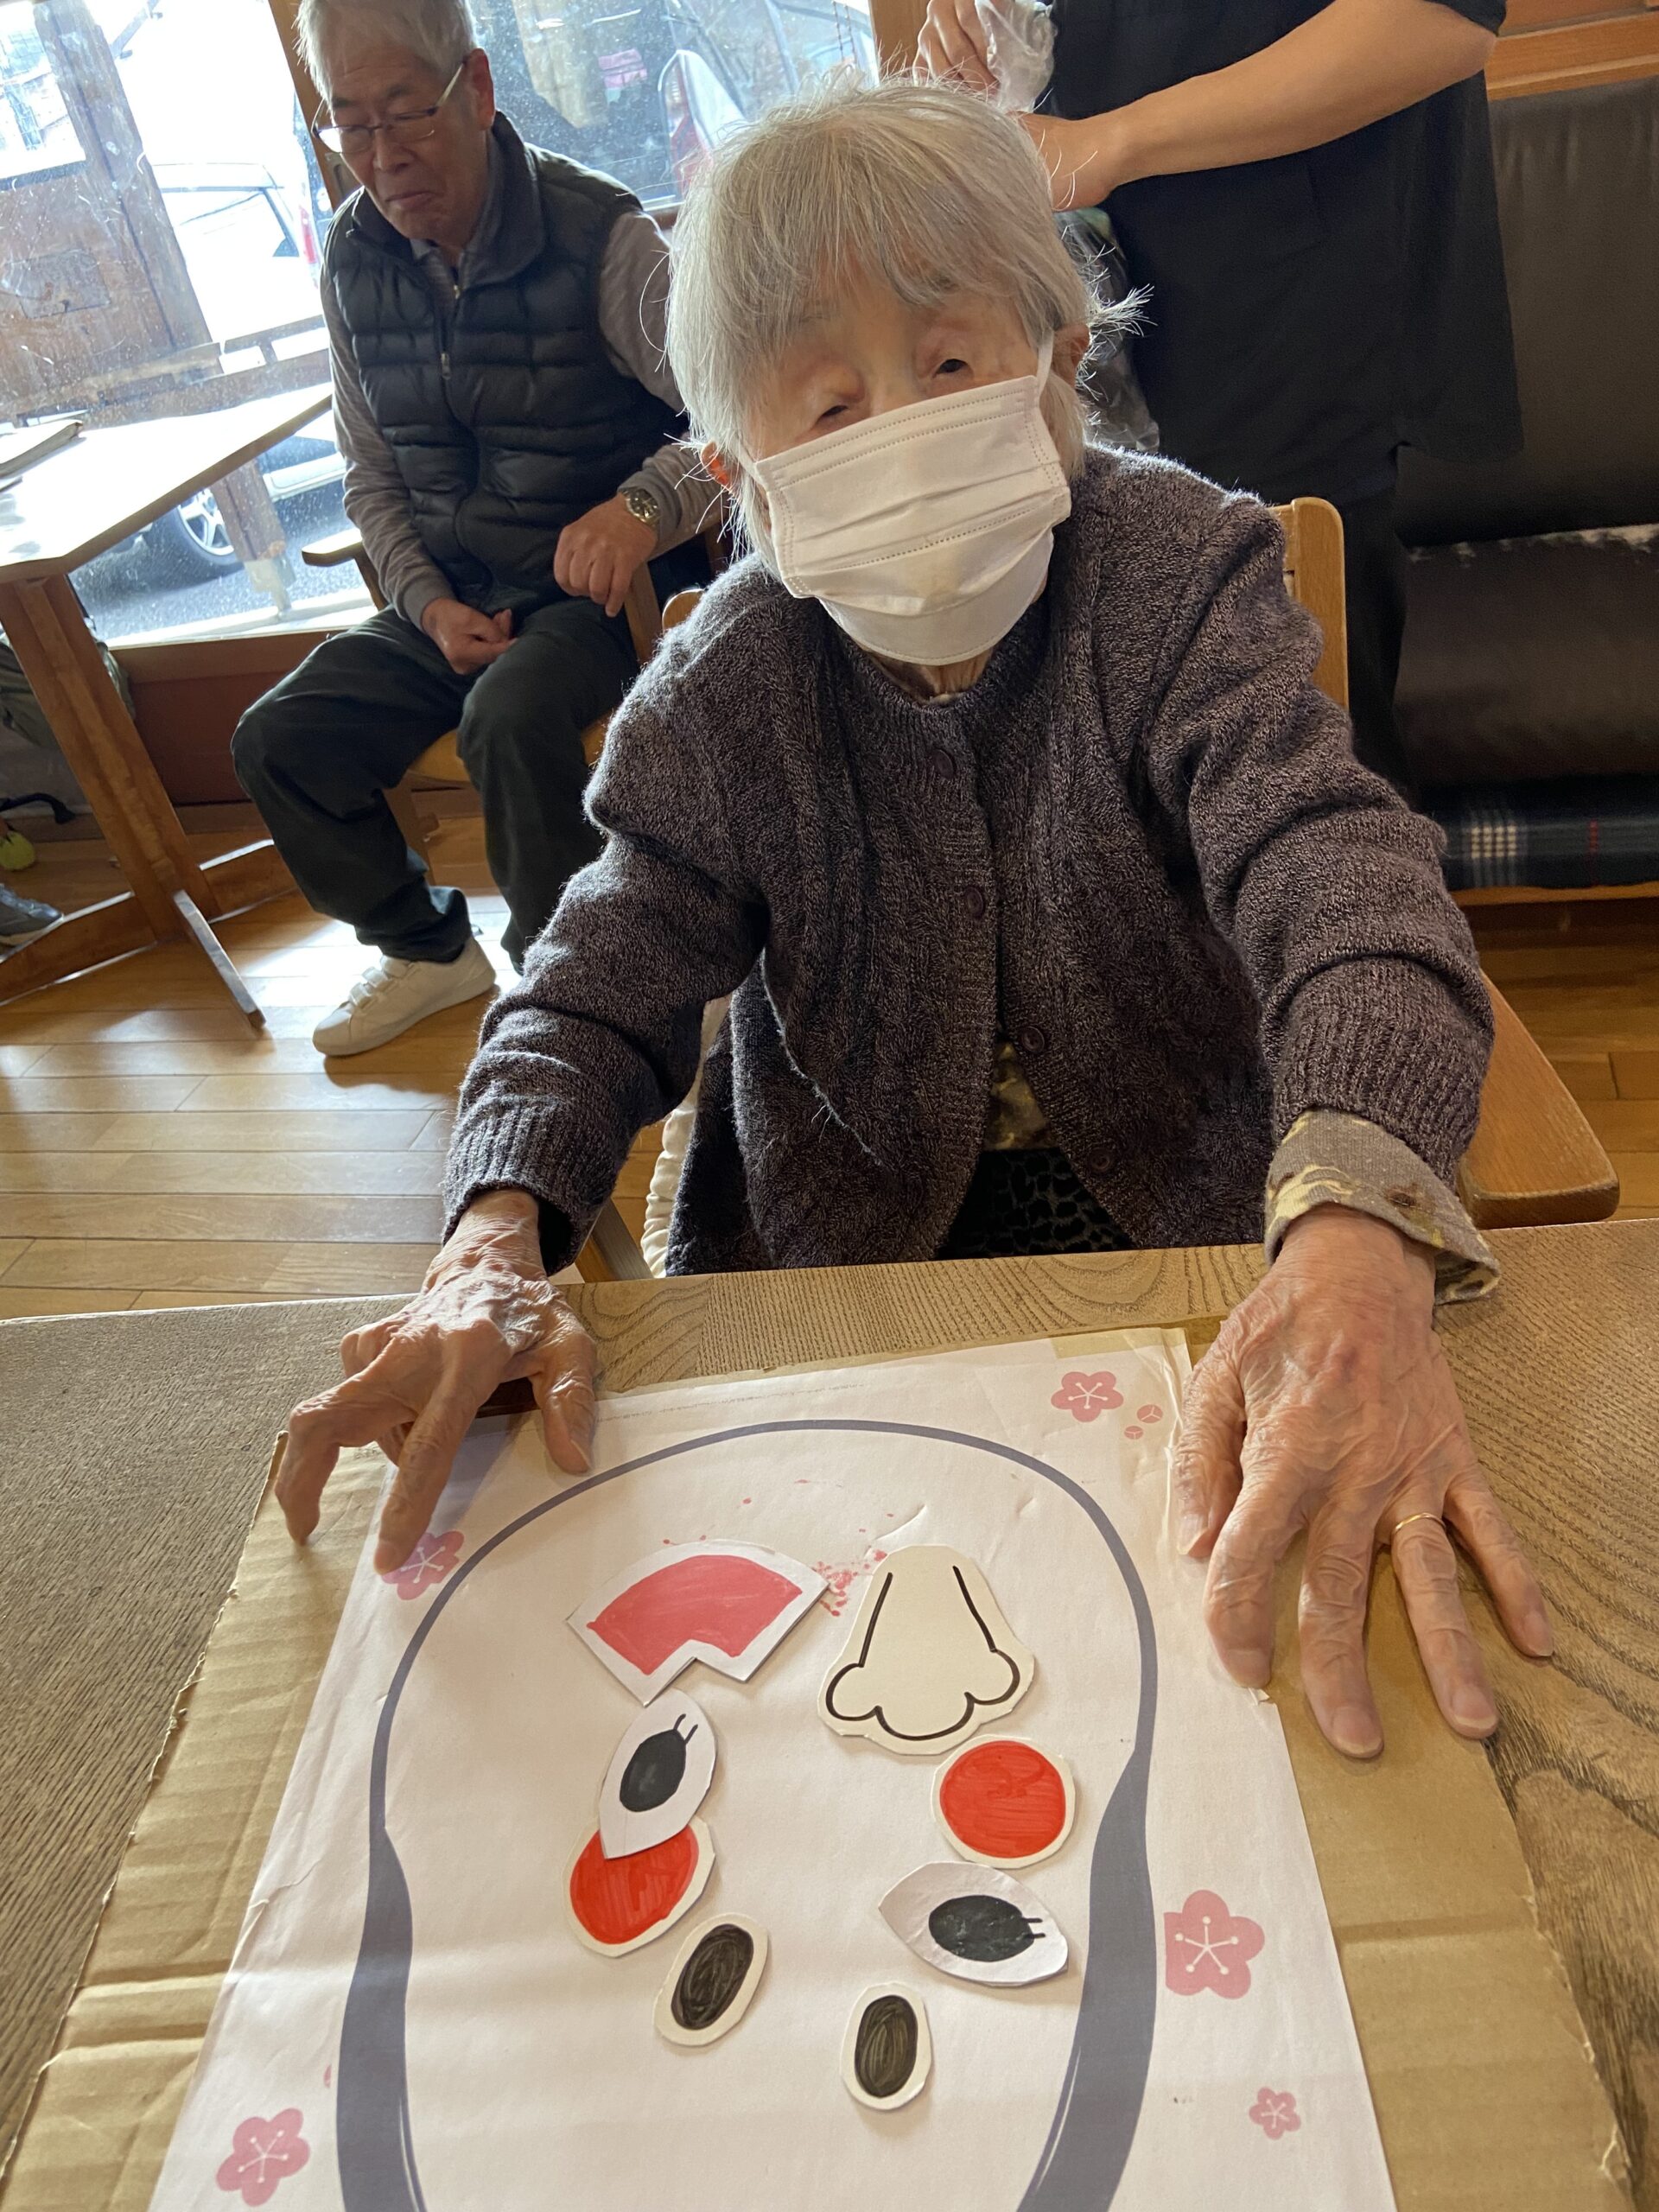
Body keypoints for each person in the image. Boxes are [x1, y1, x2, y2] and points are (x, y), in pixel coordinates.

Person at [276, 80, 1552, 1763]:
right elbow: (589, 989)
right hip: (841, 1266)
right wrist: (490, 1237)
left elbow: (1342, 876)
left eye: (949, 361)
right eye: (827, 402)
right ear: (738, 474)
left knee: (1220, 1678)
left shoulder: (1178, 574)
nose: (897, 424)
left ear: (1057, 358)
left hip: (1201, 1228)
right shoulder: (727, 683)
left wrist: (1362, 1214)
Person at [232, 0, 712, 1056]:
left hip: (597, 594)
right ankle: (426, 951)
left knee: (508, 717)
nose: (383, 157)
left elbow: (741, 415)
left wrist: (642, 508)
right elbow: (368, 474)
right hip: (452, 593)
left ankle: (577, 991)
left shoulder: (600, 235)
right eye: (351, 126)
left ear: (478, 88)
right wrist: (423, 602)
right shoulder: (352, 259)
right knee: (281, 738)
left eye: (406, 112)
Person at [918, 0, 1521, 794]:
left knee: (1304, 770)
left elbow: (1440, 19)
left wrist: (1111, 143)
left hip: (1292, 314)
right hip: (1106, 311)